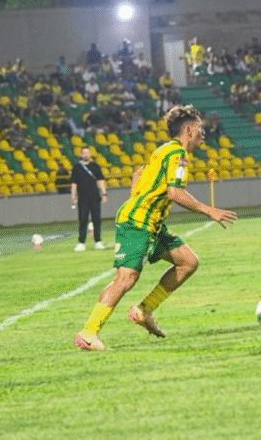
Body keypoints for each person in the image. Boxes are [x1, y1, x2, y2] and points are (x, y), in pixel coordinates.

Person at [74, 105, 237, 351]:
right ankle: (88, 333)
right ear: (190, 130)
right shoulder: (178, 154)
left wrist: (139, 199)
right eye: (200, 129)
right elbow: (175, 192)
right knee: (126, 278)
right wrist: (208, 210)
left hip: (151, 223)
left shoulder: (164, 149)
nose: (203, 133)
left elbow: (138, 173)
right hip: (138, 223)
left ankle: (144, 310)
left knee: (188, 262)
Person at [70, 146, 107, 251]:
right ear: (80, 154)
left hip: (95, 197)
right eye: (83, 153)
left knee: (97, 220)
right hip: (82, 198)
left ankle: (98, 241)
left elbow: (100, 181)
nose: (86, 155)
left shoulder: (95, 166)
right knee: (83, 220)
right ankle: (81, 242)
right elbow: (74, 183)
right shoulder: (77, 167)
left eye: (87, 153)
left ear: (90, 154)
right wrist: (73, 195)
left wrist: (104, 194)